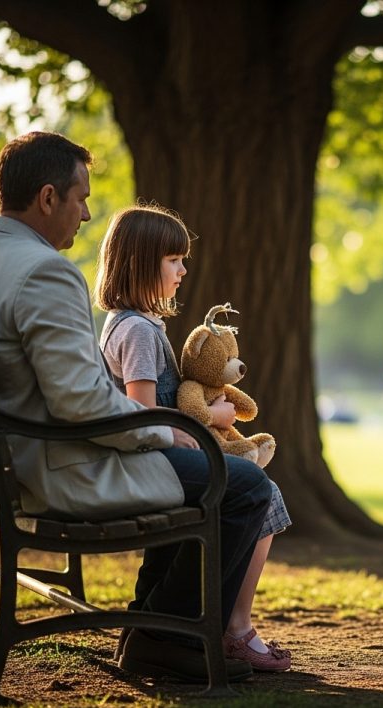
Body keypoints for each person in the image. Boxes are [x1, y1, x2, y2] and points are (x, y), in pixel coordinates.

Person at [0, 131, 273, 683]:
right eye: (80, 199)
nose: (85, 215)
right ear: (48, 197)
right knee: (243, 484)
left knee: (206, 472)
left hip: (6, 463)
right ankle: (165, 638)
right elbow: (82, 402)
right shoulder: (43, 271)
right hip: (60, 467)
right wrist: (167, 432)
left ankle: (150, 627)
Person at [94, 203, 292, 672]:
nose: (183, 270)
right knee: (258, 493)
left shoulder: (131, 323)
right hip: (151, 461)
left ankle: (191, 625)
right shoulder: (138, 332)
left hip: (152, 457)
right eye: (173, 260)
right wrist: (209, 419)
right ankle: (231, 629)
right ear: (141, 263)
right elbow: (144, 413)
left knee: (257, 491)